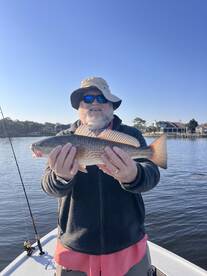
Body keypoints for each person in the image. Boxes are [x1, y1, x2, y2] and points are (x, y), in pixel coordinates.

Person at [41, 77, 160, 276]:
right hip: (75, 248)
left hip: (128, 243)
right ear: (78, 106)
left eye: (103, 98)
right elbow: (47, 185)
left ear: (112, 106)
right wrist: (61, 177)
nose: (95, 103)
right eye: (87, 98)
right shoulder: (64, 138)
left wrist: (134, 175)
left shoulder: (131, 134)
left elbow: (152, 175)